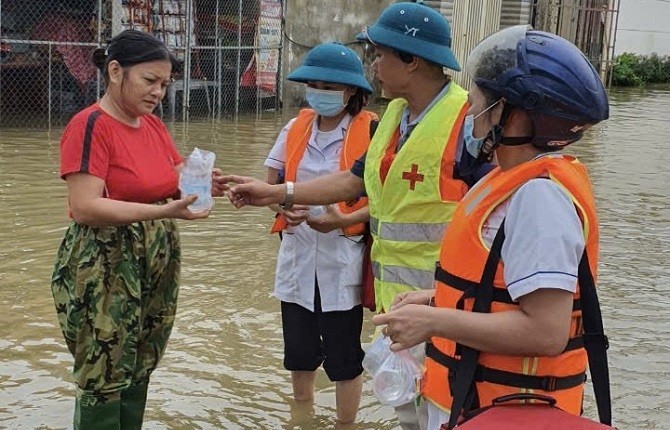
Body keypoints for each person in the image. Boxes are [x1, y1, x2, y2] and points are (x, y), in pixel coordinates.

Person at [223, 3, 491, 429]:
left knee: (448, 409)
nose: (374, 66)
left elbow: (495, 211)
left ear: (411, 60)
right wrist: (274, 193)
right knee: (412, 409)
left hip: (449, 302)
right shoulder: (397, 119)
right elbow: (353, 181)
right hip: (399, 301)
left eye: (380, 55)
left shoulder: (469, 123)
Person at [371, 25, 610, 430]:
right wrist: (437, 300)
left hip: (510, 410)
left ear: (513, 113)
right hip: (473, 403)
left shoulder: (541, 199)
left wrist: (435, 322)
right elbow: (499, 289)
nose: (469, 112)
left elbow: (545, 331)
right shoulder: (506, 180)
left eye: (479, 101)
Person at [50, 30, 227, 430]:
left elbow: (171, 173)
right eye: (150, 81)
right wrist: (164, 212)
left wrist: (201, 180)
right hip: (105, 260)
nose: (158, 92)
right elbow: (85, 205)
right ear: (115, 71)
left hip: (155, 253)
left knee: (142, 356)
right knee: (103, 366)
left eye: (165, 84)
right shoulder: (89, 125)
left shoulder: (151, 125)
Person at [264, 42, 377, 424]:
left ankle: (345, 424)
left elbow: (385, 201)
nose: (321, 92)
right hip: (297, 252)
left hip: (341, 254)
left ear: (351, 92)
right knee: (299, 350)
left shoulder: (372, 130)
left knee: (345, 357)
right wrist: (281, 206)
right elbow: (272, 183)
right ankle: (303, 416)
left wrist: (344, 220)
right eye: (315, 84)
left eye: (331, 86)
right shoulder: (295, 127)